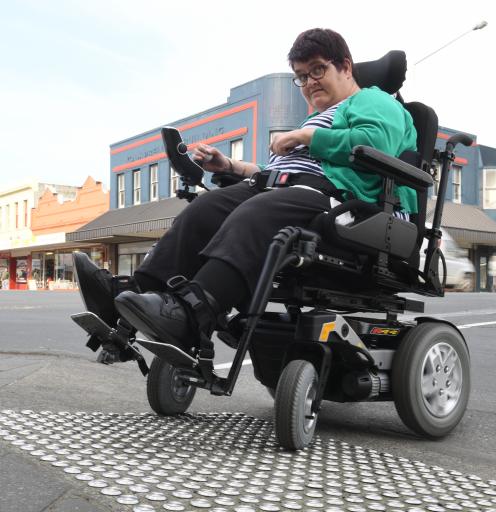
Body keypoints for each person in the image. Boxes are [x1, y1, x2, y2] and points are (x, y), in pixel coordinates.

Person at [74, 28, 418, 362]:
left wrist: (308, 136)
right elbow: (280, 175)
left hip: (346, 205)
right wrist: (231, 166)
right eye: (301, 76)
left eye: (317, 70)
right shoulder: (317, 119)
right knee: (206, 208)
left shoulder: (372, 100)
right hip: (292, 191)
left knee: (259, 211)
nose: (309, 82)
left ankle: (193, 314)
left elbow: (375, 145)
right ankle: (128, 297)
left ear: (345, 66)